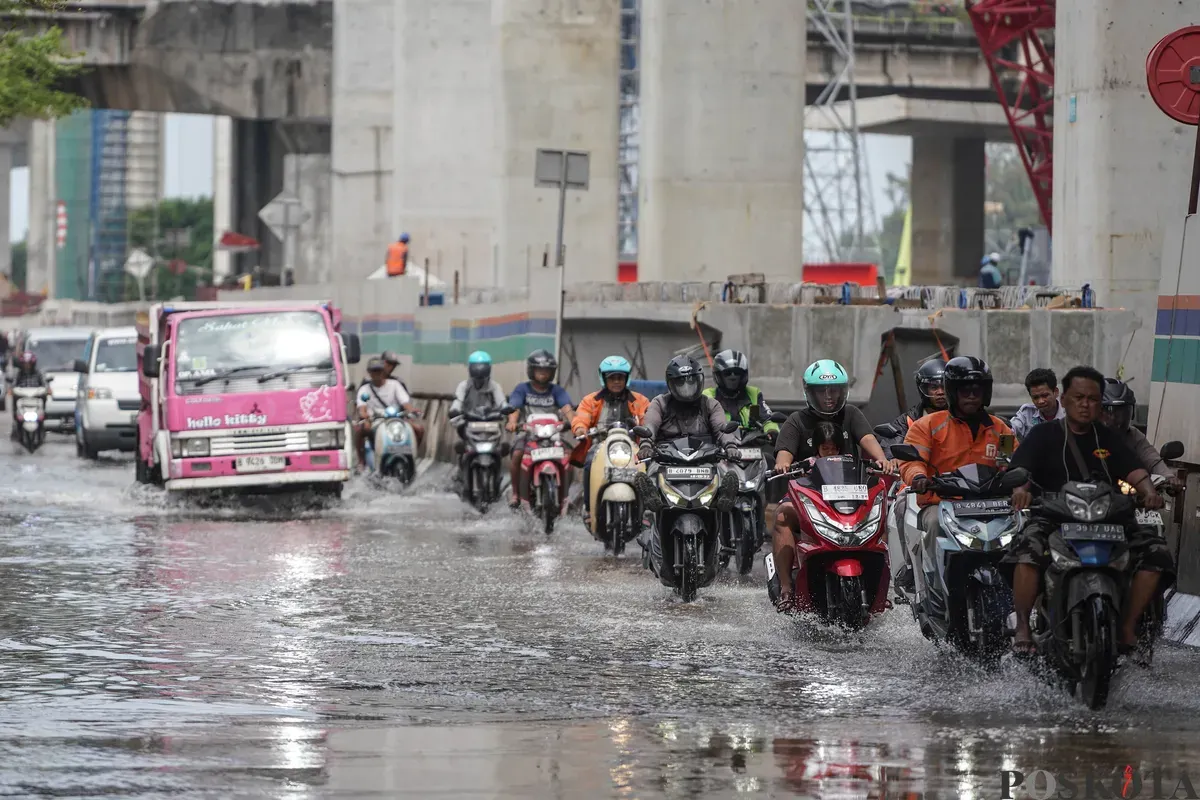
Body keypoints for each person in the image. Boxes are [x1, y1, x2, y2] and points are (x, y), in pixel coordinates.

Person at [1004, 366, 1170, 656]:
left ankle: (1128, 625)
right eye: (1079, 397)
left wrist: (1149, 492)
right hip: (1054, 517)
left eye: (1093, 399)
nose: (1085, 404)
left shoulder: (1109, 437)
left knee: (1156, 553)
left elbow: (1135, 470)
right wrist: (1020, 493)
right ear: (1064, 398)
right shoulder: (1043, 434)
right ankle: (1023, 627)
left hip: (1109, 518)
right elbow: (1021, 470)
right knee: (1026, 550)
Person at [769, 359, 893, 611]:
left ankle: (881, 587)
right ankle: (786, 588)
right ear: (809, 393)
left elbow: (867, 438)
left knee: (882, 514)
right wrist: (783, 464)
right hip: (808, 495)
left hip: (852, 494)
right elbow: (784, 452)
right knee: (782, 517)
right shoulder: (797, 421)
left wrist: (881, 459)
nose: (828, 397)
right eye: (821, 391)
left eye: (834, 390)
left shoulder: (852, 415)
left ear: (843, 391)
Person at [894, 356, 1016, 598]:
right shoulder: (927, 425)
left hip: (992, 506)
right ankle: (934, 590)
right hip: (943, 504)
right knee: (933, 524)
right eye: (964, 390)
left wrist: (1020, 478)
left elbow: (1010, 463)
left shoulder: (1001, 429)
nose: (971, 396)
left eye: (976, 390)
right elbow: (911, 460)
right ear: (953, 392)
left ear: (985, 393)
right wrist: (918, 477)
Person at [632, 355, 740, 510]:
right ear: (671, 384)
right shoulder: (659, 403)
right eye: (681, 382)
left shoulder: (711, 404)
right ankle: (653, 500)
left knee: (723, 470)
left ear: (699, 381)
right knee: (653, 471)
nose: (687, 387)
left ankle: (722, 499)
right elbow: (650, 426)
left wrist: (730, 446)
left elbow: (721, 427)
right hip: (666, 460)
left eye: (691, 381)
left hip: (705, 460)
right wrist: (646, 446)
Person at [570, 355, 651, 525]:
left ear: (626, 379)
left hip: (631, 447)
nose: (616, 381)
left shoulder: (639, 400)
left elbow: (648, 418)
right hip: (601, 446)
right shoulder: (591, 400)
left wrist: (648, 429)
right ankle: (588, 508)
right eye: (612, 378)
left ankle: (647, 509)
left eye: (620, 377)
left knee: (648, 464)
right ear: (604, 379)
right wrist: (580, 428)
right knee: (589, 462)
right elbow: (581, 417)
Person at [506, 349, 574, 508]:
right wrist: (512, 422)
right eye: (539, 370)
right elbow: (514, 407)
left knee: (570, 457)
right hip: (528, 435)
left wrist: (574, 422)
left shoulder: (557, 390)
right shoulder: (522, 389)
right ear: (531, 370)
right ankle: (516, 493)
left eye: (546, 370)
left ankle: (565, 497)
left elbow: (567, 408)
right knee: (517, 454)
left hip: (553, 436)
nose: (543, 373)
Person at [1099, 378, 1181, 488]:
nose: (1117, 421)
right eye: (1110, 413)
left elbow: (1151, 458)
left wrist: (1169, 477)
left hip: (1125, 492)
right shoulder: (1089, 435)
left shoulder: (1133, 435)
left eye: (1122, 414)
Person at [354, 358, 423, 469]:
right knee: (361, 429)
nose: (377, 374)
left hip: (396, 419)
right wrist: (364, 414)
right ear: (369, 373)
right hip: (375, 421)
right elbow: (362, 407)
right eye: (374, 371)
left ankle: (413, 457)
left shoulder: (395, 385)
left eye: (379, 370)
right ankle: (361, 461)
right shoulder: (364, 389)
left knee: (419, 429)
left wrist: (412, 410)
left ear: (383, 371)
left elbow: (405, 402)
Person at [702, 349, 781, 436]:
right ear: (718, 376)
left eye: (737, 372)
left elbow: (767, 419)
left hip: (752, 444)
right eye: (727, 373)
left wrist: (772, 431)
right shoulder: (708, 397)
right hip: (719, 444)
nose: (733, 377)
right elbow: (699, 424)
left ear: (744, 374)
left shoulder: (754, 393)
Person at [878, 357, 947, 456]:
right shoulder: (908, 421)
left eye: (944, 387)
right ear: (924, 389)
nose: (940, 392)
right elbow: (890, 447)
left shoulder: (960, 418)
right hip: (918, 470)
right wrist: (892, 460)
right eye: (934, 387)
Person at [1010, 368, 1064, 441]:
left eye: (1045, 395)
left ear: (1056, 392)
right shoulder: (1026, 413)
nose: (1040, 401)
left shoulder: (1069, 414)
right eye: (1035, 397)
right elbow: (1011, 430)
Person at [9, 351, 47, 441]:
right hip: (22, 399)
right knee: (15, 403)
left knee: (44, 401)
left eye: (29, 364)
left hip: (36, 399)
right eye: (25, 364)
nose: (27, 366)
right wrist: (12, 389)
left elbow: (44, 384)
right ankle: (17, 426)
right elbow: (13, 384)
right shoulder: (18, 374)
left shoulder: (38, 373)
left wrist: (47, 390)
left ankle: (41, 427)